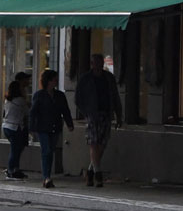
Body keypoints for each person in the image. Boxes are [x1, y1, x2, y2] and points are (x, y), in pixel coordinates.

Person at [75, 53, 123, 187]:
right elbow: (78, 98)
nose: (99, 65)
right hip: (92, 115)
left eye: (101, 62)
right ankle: (98, 174)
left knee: (102, 143)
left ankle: (90, 171)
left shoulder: (109, 78)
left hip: (106, 114)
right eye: (96, 62)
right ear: (92, 64)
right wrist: (86, 112)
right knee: (93, 142)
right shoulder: (85, 79)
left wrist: (119, 115)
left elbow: (115, 96)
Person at [28, 69, 74, 189]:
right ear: (48, 81)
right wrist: (31, 128)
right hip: (42, 127)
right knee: (46, 151)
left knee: (50, 151)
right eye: (54, 79)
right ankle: (46, 177)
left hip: (55, 126)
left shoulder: (60, 95)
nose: (56, 81)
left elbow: (65, 110)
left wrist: (69, 124)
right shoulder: (39, 95)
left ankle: (47, 176)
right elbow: (33, 112)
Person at [2, 79, 30, 179]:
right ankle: (11, 170)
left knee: (16, 149)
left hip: (6, 126)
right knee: (15, 150)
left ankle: (15, 169)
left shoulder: (7, 100)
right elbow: (27, 112)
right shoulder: (20, 100)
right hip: (15, 127)